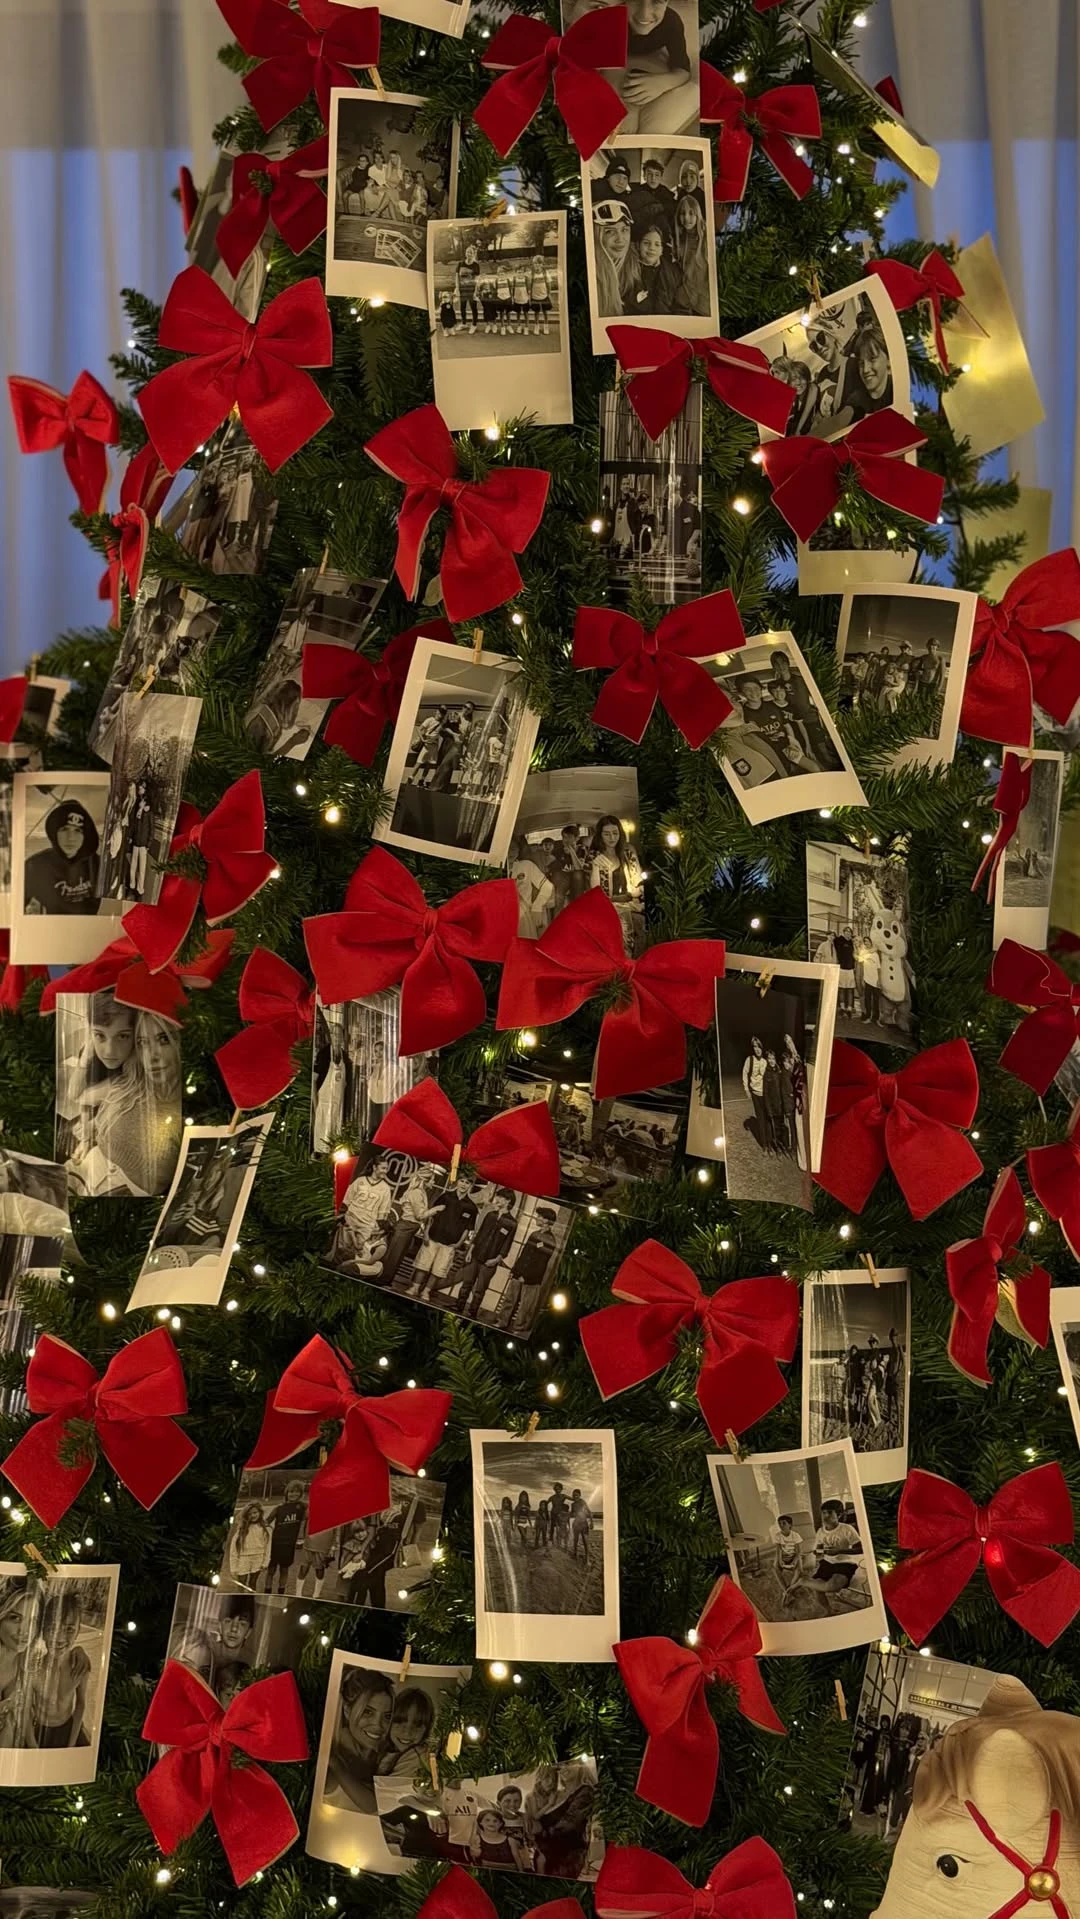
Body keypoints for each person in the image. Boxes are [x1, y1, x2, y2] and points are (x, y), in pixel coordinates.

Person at [25, 1588, 91, 1748]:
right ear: (43, 1631)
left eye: (69, 1629)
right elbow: (25, 1709)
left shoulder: (80, 1668)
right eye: (52, 1629)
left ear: (78, 1631)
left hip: (69, 1728)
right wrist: (33, 1745)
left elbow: (81, 1704)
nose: (60, 1638)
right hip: (38, 1729)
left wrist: (71, 1743)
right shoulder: (33, 1669)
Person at [617, 0, 695, 131]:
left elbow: (683, 69)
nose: (645, 14)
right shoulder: (612, 19)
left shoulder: (671, 22)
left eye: (657, 1)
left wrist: (663, 83)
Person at [325, 1667, 395, 1813]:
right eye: (368, 1712)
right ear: (347, 1710)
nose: (378, 1725)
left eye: (387, 1716)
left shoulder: (380, 1756)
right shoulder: (331, 1758)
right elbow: (373, 1806)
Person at [23, 798, 100, 916]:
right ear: (54, 832)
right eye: (64, 829)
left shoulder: (99, 866)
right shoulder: (34, 866)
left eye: (78, 830)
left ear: (86, 836)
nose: (71, 837)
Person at [453, 1186, 518, 1320]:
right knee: (467, 1283)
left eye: (500, 1197)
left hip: (490, 1260)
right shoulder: (490, 1215)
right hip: (476, 1254)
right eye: (497, 1196)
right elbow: (479, 1234)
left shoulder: (512, 1223)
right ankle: (458, 1306)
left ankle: (472, 1312)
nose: (497, 1199)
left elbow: (507, 1245)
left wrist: (496, 1260)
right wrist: (470, 1251)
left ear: (508, 1201)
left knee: (480, 1289)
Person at [411, 1181, 478, 1301]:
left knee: (438, 1270)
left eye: (467, 1183)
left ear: (471, 1186)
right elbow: (431, 1216)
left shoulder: (471, 1207)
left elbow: (468, 1229)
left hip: (450, 1244)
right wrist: (426, 1233)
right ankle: (415, 1288)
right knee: (423, 1265)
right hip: (432, 1238)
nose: (464, 1185)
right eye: (462, 1181)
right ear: (458, 1182)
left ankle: (426, 1291)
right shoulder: (445, 1197)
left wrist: (459, 1243)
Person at [499, 1207, 560, 1333]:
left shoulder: (550, 1240)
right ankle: (502, 1322)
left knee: (526, 1306)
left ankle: (519, 1328)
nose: (537, 1218)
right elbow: (524, 1254)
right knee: (509, 1298)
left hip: (531, 1279)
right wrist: (515, 1271)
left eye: (540, 1216)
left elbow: (540, 1263)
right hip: (519, 1273)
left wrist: (526, 1277)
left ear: (546, 1220)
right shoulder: (534, 1234)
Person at [589, 814, 643, 949]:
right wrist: (596, 866)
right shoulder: (594, 856)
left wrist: (637, 891)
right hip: (607, 905)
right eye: (607, 834)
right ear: (600, 836)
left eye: (615, 833)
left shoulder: (628, 851)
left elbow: (638, 881)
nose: (612, 838)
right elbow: (595, 891)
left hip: (631, 902)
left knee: (639, 924)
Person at [334, 1161, 396, 1269]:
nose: (385, 1171)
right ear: (374, 1167)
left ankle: (347, 1273)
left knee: (359, 1251)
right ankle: (334, 1270)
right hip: (352, 1218)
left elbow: (382, 1212)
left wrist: (379, 1228)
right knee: (343, 1247)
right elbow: (347, 1199)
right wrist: (343, 1216)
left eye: (386, 1169)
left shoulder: (385, 1188)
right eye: (383, 1168)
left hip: (367, 1224)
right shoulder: (360, 1181)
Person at [592, 200, 640, 315]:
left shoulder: (637, 268)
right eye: (609, 232)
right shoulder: (590, 276)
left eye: (624, 230)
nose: (620, 239)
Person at [377, 1686, 436, 1778]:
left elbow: (385, 1789)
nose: (407, 1732)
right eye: (400, 1721)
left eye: (417, 1725)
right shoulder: (385, 1749)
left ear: (427, 1729)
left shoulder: (418, 1757)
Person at [810, 1498, 864, 1599]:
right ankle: (827, 1610)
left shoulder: (846, 1529)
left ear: (839, 1515)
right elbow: (818, 1550)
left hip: (845, 1563)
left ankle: (803, 1582)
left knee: (833, 1585)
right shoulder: (820, 1532)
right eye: (823, 1513)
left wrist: (839, 1551)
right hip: (827, 1562)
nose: (825, 1516)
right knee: (817, 1587)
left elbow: (861, 1549)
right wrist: (820, 1551)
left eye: (829, 1513)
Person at [312, 1011, 348, 1155]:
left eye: (339, 1034)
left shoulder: (345, 1057)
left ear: (343, 1037)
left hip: (338, 1105)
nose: (337, 1037)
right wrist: (316, 1105)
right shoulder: (324, 1055)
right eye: (334, 1034)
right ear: (330, 1036)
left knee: (336, 1138)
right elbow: (314, 1081)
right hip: (323, 1102)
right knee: (322, 1138)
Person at [672, 192, 710, 315]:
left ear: (697, 215)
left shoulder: (706, 238)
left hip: (704, 300)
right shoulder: (678, 239)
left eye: (691, 213)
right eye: (682, 213)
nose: (686, 218)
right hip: (685, 300)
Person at [266, 1484, 307, 1594]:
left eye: (296, 1492)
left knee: (284, 1569)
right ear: (286, 1493)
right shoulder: (279, 1508)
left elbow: (309, 1517)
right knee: (271, 1569)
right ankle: (267, 1590)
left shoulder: (303, 1507)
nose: (293, 1494)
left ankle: (281, 1591)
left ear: (300, 1494)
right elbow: (266, 1522)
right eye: (291, 1492)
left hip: (289, 1544)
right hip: (276, 1543)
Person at [630, 225, 680, 315]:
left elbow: (681, 306)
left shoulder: (673, 272)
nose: (652, 248)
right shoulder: (629, 271)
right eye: (646, 243)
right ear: (638, 245)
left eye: (657, 244)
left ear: (661, 250)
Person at [229, 1501, 271, 1587]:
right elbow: (234, 1549)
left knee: (253, 1583)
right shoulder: (241, 1529)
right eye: (249, 1514)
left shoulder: (265, 1528)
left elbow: (268, 1546)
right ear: (246, 1515)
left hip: (258, 1558)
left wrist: (266, 1562)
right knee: (241, 1583)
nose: (253, 1515)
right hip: (243, 1559)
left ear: (260, 1512)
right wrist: (233, 1567)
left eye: (255, 1512)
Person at [780, 1033, 806, 1162]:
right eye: (787, 1043)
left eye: (789, 1042)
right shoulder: (786, 1072)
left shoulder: (797, 1063)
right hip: (794, 1104)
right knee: (796, 1127)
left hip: (801, 1100)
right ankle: (795, 1150)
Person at [742, 1035, 769, 1149]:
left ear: (762, 1048)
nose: (757, 1049)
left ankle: (770, 1140)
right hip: (755, 1093)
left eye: (759, 1047)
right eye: (755, 1047)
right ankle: (764, 1144)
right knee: (760, 1118)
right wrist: (747, 1089)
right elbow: (744, 1073)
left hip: (766, 1094)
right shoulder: (750, 1060)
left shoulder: (765, 1061)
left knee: (768, 1117)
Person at [771, 1513, 804, 1605]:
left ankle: (788, 1591)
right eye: (779, 1523)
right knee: (775, 1568)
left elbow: (798, 1552)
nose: (781, 1525)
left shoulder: (795, 1535)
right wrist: (780, 1559)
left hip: (794, 1555)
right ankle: (786, 1590)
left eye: (784, 1523)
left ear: (790, 1525)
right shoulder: (777, 1535)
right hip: (783, 1555)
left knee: (799, 1571)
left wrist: (795, 1561)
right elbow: (778, 1550)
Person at [455, 245, 480, 332]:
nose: (468, 254)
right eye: (467, 252)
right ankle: (464, 323)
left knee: (473, 307)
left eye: (471, 252)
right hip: (462, 289)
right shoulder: (460, 264)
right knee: (462, 307)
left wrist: (475, 291)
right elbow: (457, 277)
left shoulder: (476, 265)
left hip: (471, 289)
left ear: (473, 254)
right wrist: (457, 288)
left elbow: (477, 279)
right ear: (465, 253)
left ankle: (474, 325)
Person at [834, 923, 857, 1017]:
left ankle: (849, 1008)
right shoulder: (839, 941)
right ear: (843, 933)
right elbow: (834, 939)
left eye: (849, 932)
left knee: (850, 989)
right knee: (842, 989)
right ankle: (842, 1007)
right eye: (846, 932)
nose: (848, 933)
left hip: (851, 969)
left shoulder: (852, 943)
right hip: (842, 969)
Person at [569, 1488, 592, 1562]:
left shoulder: (582, 1502)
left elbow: (589, 1512)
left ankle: (587, 1558)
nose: (575, 1497)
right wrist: (569, 1514)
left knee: (585, 1541)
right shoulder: (572, 1504)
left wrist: (592, 1522)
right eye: (574, 1495)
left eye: (576, 1495)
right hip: (576, 1524)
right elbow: (572, 1514)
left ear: (580, 1495)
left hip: (583, 1523)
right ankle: (575, 1554)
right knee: (575, 1540)